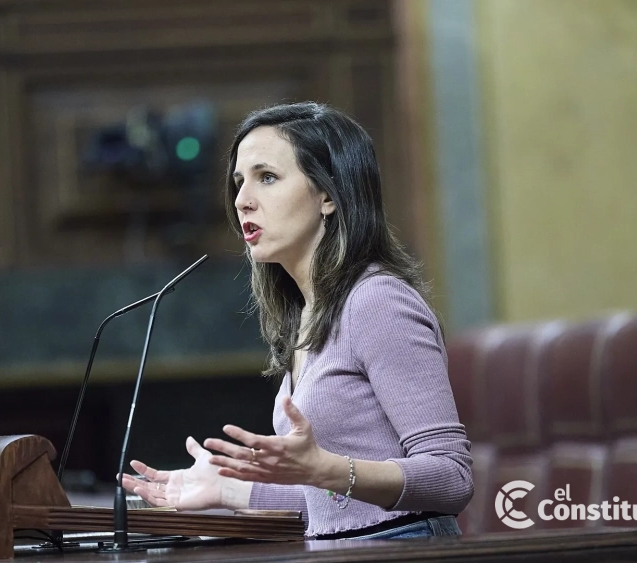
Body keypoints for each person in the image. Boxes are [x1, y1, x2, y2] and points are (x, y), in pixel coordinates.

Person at [120, 102, 473, 539]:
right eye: (239, 182)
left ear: (329, 195)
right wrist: (227, 489)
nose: (242, 200)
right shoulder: (307, 314)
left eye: (267, 177)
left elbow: (452, 476)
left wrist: (328, 469)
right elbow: (334, 502)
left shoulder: (377, 301)